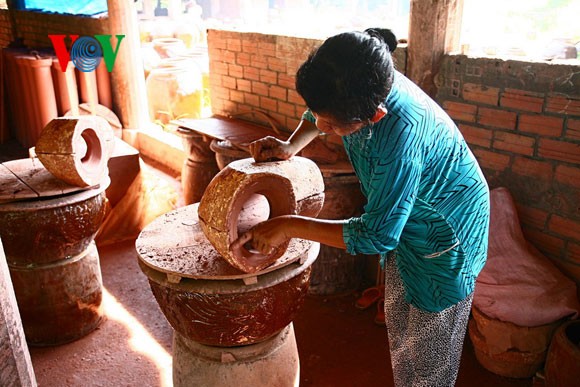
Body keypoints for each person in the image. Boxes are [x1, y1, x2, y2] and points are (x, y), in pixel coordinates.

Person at [231, 28, 490, 386]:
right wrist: (291, 146)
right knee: (401, 324)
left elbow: (377, 235)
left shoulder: (399, 134)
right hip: (407, 221)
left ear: (375, 116)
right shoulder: (355, 78)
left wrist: (288, 225)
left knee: (430, 349)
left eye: (333, 125)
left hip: (445, 233)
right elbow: (320, 109)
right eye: (321, 117)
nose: (322, 126)